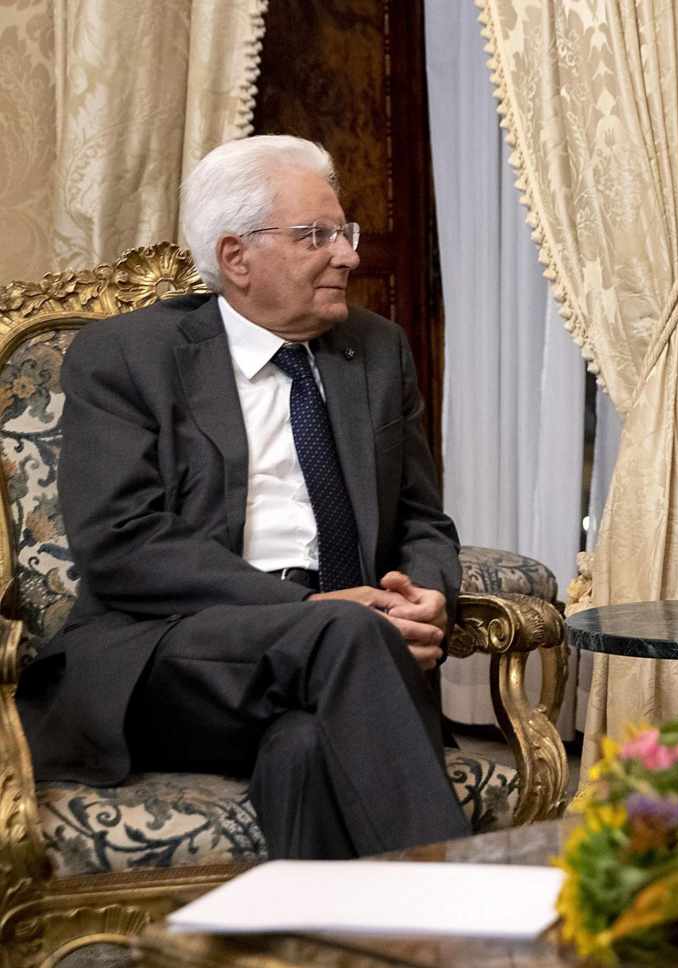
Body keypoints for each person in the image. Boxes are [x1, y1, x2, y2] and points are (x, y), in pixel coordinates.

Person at [18, 135, 470, 858]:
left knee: (303, 747)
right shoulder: (129, 356)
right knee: (347, 634)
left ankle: (317, 945)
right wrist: (309, 612)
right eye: (318, 235)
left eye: (344, 233)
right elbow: (120, 542)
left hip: (339, 656)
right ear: (237, 258)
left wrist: (425, 592)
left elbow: (422, 517)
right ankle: (471, 922)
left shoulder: (378, 351)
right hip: (171, 653)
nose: (349, 255)